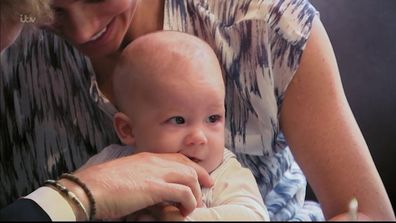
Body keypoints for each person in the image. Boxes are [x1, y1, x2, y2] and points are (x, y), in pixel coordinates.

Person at [1, 0, 395, 221]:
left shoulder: (266, 29)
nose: (82, 32)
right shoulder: (13, 42)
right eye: (51, 10)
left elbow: (366, 214)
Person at [0, 0, 213, 221]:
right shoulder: (17, 55)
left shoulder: (239, 29)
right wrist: (79, 195)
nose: (82, 33)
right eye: (52, 11)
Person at [80, 30, 270, 221]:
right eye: (178, 120)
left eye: (213, 118)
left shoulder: (224, 174)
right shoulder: (109, 166)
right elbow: (66, 203)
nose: (199, 137)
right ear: (127, 130)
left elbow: (254, 216)